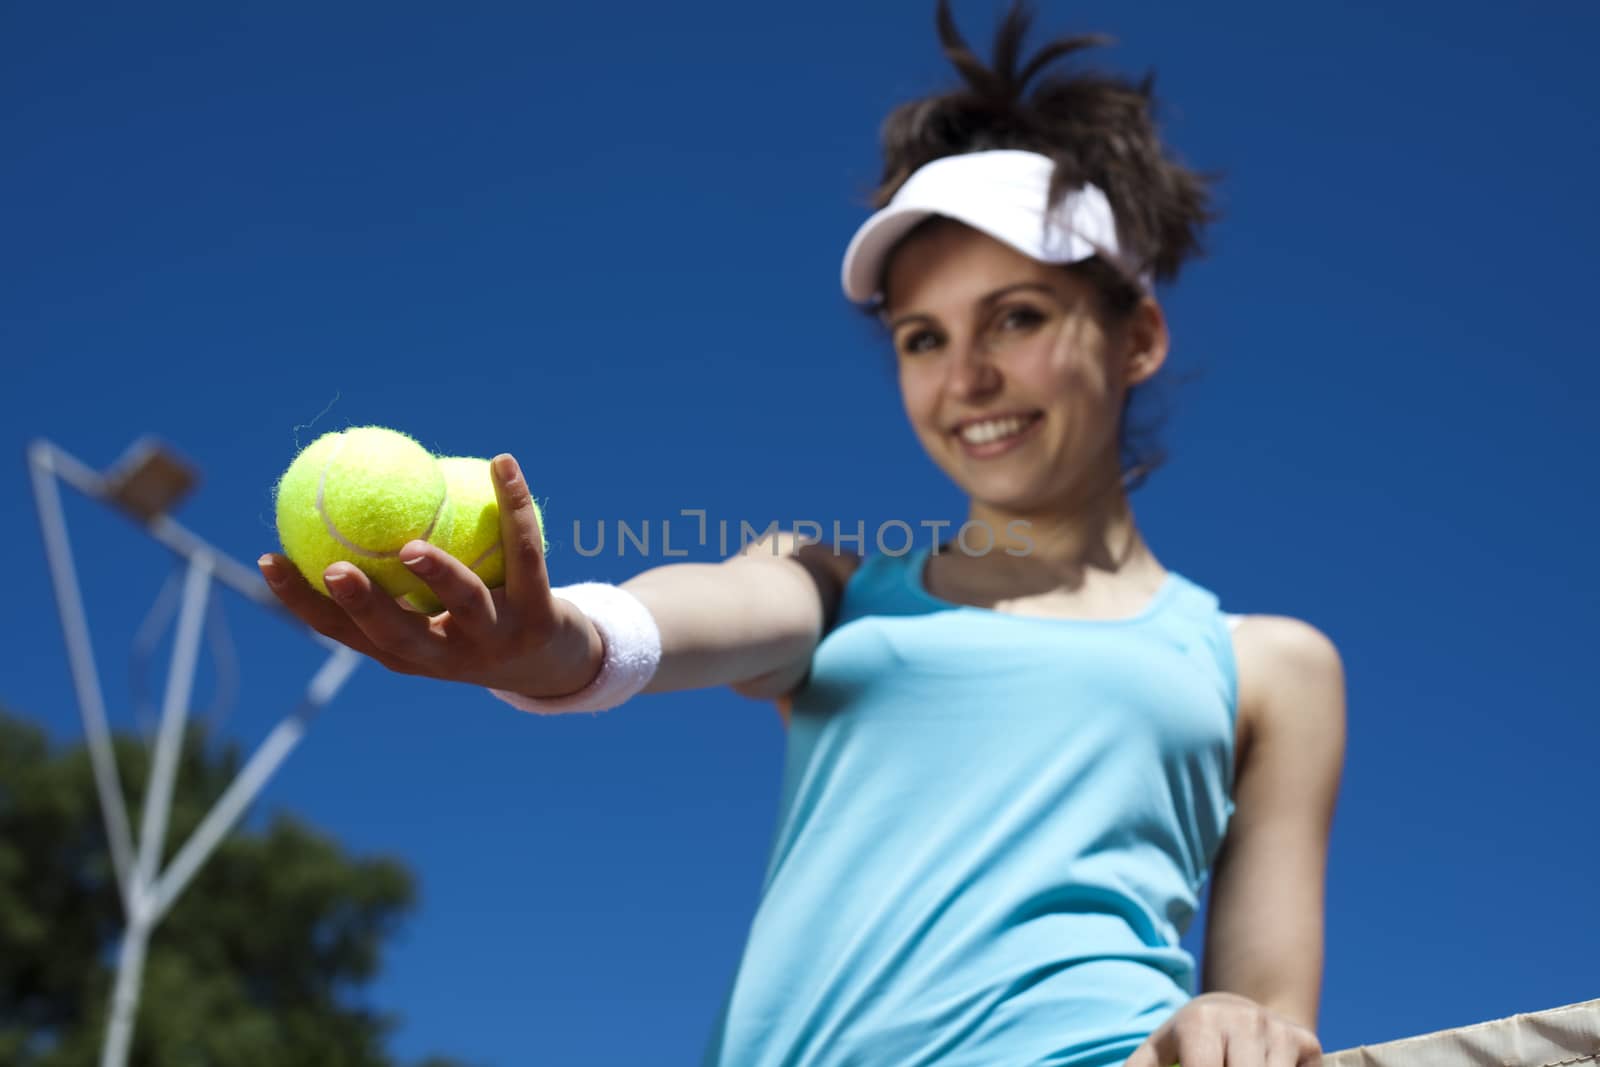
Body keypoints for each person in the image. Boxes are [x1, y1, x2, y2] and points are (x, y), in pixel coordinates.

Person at [258, 2, 1346, 1064]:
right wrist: (553, 643)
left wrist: (1233, 1023)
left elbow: (1266, 1017)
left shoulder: (1268, 666)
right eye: (922, 338)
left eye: (1016, 316)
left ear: (1137, 336)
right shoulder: (833, 586)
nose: (966, 377)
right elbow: (684, 614)